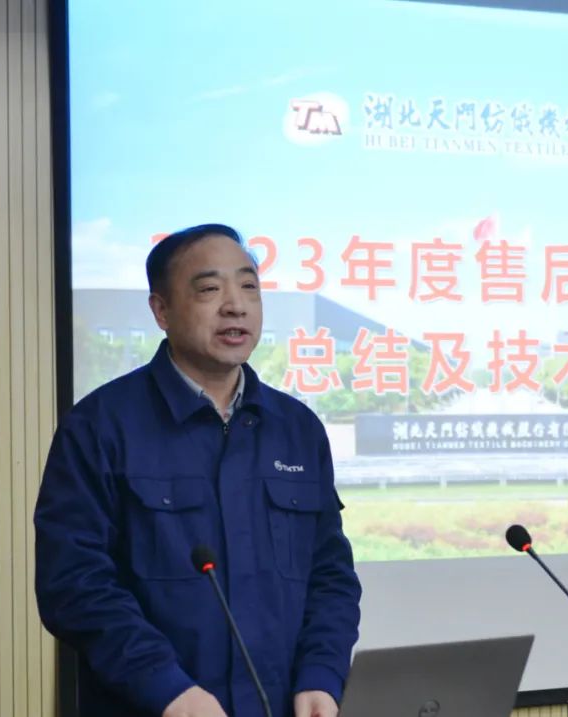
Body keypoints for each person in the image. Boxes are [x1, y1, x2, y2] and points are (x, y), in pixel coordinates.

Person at [34, 224, 362, 717]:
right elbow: (74, 584)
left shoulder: (297, 429)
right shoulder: (100, 426)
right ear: (161, 311)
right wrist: (165, 688)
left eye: (249, 286)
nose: (236, 306)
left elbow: (330, 575)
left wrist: (321, 673)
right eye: (210, 289)